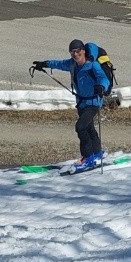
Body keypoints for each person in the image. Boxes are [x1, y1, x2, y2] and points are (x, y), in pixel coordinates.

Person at [31, 38, 109, 169]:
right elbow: (59, 63)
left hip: (93, 102)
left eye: (77, 51)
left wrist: (101, 86)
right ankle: (97, 153)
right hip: (81, 102)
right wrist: (44, 64)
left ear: (83, 51)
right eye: (72, 52)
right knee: (89, 128)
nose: (75, 54)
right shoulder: (72, 64)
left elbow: (103, 78)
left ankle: (87, 157)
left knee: (80, 127)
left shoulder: (93, 65)